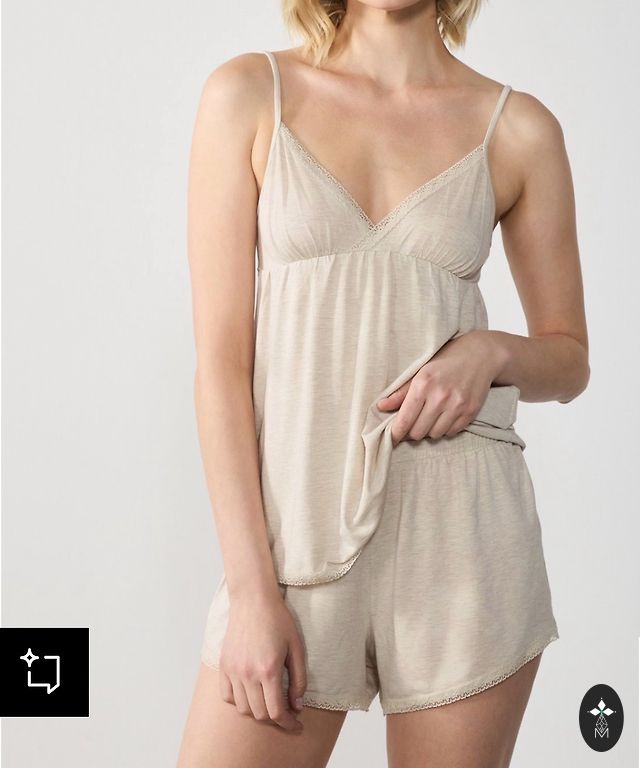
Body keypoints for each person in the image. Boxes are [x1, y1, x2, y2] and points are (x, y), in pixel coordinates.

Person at [177, 1, 589, 765]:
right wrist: (251, 592)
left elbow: (569, 360)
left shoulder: (518, 128)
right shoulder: (250, 94)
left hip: (462, 545)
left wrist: (490, 352)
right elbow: (221, 368)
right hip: (296, 546)